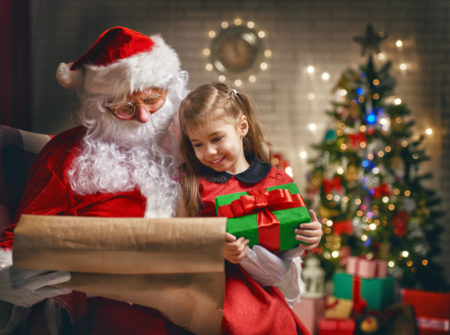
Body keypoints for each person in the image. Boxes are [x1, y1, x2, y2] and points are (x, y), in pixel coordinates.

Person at [0, 26, 191, 334]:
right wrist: (7, 275)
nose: (143, 116)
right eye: (125, 108)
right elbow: (25, 234)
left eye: (153, 99)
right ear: (100, 106)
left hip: (192, 287)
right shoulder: (64, 154)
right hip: (113, 298)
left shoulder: (193, 146)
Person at [178, 82, 323, 334]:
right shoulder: (194, 186)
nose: (209, 151)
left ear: (242, 127)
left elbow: (293, 240)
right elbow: (180, 239)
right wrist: (216, 248)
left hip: (266, 292)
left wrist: (311, 236)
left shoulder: (277, 181)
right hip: (215, 292)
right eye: (197, 144)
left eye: (216, 138)